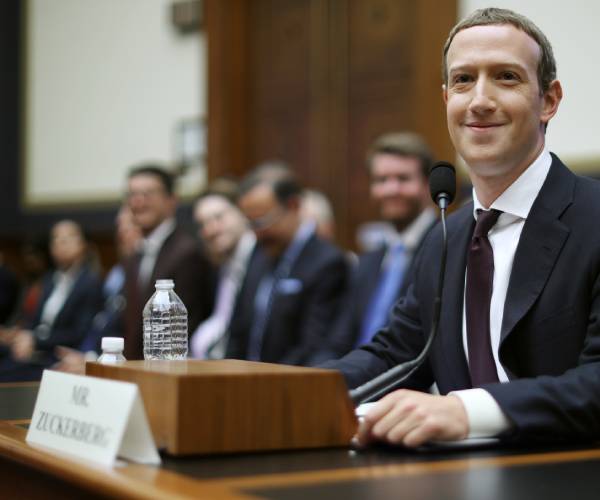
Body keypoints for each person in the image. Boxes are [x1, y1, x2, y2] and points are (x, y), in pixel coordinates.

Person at [325, 7, 600, 447]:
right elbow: (396, 355)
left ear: (549, 100)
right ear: (446, 100)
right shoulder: (445, 236)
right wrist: (286, 391)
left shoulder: (594, 218)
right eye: (463, 80)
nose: (479, 100)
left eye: (506, 77)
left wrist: (466, 409)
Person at [326, 132, 437, 358]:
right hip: (354, 380)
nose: (390, 189)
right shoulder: (368, 261)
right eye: (381, 180)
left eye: (403, 179)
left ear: (427, 184)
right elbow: (339, 340)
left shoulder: (447, 246)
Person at [226, 162, 348, 365]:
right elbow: (237, 330)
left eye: (262, 221)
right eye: (250, 223)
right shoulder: (258, 251)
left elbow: (314, 345)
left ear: (293, 206)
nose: (256, 232)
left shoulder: (327, 262)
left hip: (289, 383)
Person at [123, 165, 215, 359]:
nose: (138, 202)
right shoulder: (135, 254)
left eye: (147, 194)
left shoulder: (188, 252)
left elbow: (184, 327)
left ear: (171, 201)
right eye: (132, 194)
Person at [0, 220, 103, 381]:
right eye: (55, 238)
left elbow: (78, 333)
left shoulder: (90, 283)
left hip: (59, 356)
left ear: (83, 244)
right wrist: (23, 336)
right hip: (34, 352)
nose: (59, 243)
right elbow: (35, 321)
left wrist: (36, 340)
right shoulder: (49, 280)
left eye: (67, 237)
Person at [53, 205, 143, 374]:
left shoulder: (145, 277)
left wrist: (90, 359)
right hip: (90, 354)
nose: (122, 233)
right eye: (119, 226)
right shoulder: (116, 274)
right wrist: (85, 355)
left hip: (116, 363)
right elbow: (101, 322)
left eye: (131, 225)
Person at [190, 179, 256, 359]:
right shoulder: (220, 266)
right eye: (203, 224)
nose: (210, 230)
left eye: (219, 217)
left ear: (242, 212)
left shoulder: (261, 260)